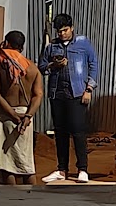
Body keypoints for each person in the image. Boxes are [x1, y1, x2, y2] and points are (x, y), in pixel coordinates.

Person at [40, 12, 99, 183]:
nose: (62, 34)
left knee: (78, 131)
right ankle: (62, 169)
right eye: (59, 31)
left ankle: (82, 169)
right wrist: (54, 65)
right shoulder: (51, 47)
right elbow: (42, 66)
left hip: (77, 93)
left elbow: (94, 64)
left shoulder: (83, 43)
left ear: (72, 28)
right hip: (57, 94)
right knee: (60, 132)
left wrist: (89, 88)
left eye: (65, 30)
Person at [0, 29, 42, 186]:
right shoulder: (32, 68)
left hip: (4, 115)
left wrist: (12, 114)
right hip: (25, 117)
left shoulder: (0, 64)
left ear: (6, 43)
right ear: (21, 47)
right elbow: (38, 95)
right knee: (26, 164)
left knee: (6, 165)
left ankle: (10, 198)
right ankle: (31, 197)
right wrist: (27, 117)